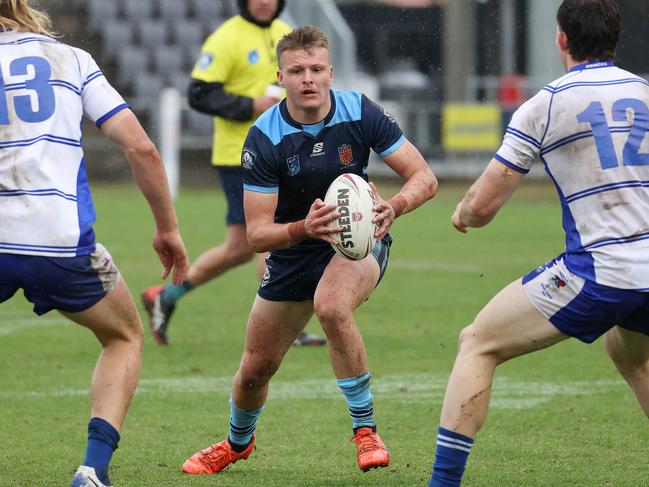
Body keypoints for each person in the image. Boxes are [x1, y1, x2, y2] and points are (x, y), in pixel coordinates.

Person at [181, 25, 437, 476]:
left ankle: (365, 430)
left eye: (317, 68)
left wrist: (392, 207)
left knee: (332, 306)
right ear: (280, 77)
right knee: (255, 369)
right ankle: (238, 442)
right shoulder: (264, 136)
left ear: (331, 73)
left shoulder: (359, 112)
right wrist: (304, 227)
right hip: (293, 248)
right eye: (297, 70)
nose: (308, 78)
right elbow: (257, 235)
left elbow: (424, 178)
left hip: (357, 241)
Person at [429, 1, 649, 485]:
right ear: (615, 38)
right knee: (631, 353)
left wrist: (463, 212)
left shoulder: (548, 103)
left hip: (602, 272)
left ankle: (441, 483)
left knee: (477, 343)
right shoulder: (644, 90)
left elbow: (483, 207)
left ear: (562, 39)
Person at [0, 3, 189, 487]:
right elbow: (141, 147)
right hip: (59, 241)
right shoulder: (73, 60)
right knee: (124, 336)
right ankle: (92, 469)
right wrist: (167, 229)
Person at [140, 0, 326, 348]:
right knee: (272, 237)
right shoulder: (226, 37)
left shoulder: (284, 35)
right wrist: (248, 105)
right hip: (241, 156)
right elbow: (199, 93)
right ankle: (287, 324)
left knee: (241, 248)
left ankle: (165, 296)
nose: (264, 1)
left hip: (284, 150)